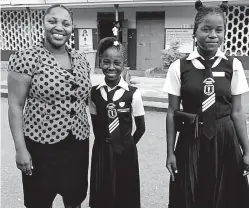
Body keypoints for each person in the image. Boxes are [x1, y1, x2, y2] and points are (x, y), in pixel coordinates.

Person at [163, 0, 249, 207]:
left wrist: (247, 151)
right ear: (195, 31)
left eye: (219, 30)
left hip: (225, 138)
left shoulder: (233, 65)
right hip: (191, 138)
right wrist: (170, 153)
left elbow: (237, 112)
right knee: (190, 192)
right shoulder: (179, 67)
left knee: (227, 194)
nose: (213, 35)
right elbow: (172, 112)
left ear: (224, 33)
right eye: (206, 29)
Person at [7, 4, 91, 208]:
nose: (59, 27)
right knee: (40, 201)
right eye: (52, 21)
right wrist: (20, 150)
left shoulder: (81, 59)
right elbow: (15, 105)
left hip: (77, 143)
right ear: (43, 24)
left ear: (72, 28)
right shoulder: (26, 57)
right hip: (40, 145)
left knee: (74, 198)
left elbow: (85, 99)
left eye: (65, 23)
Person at [89, 37, 145, 208]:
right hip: (101, 150)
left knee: (125, 194)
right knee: (102, 194)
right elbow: (96, 124)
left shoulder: (133, 94)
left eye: (117, 63)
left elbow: (141, 128)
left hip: (125, 151)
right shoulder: (94, 93)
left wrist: (126, 144)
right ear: (100, 63)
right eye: (106, 62)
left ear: (123, 65)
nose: (111, 67)